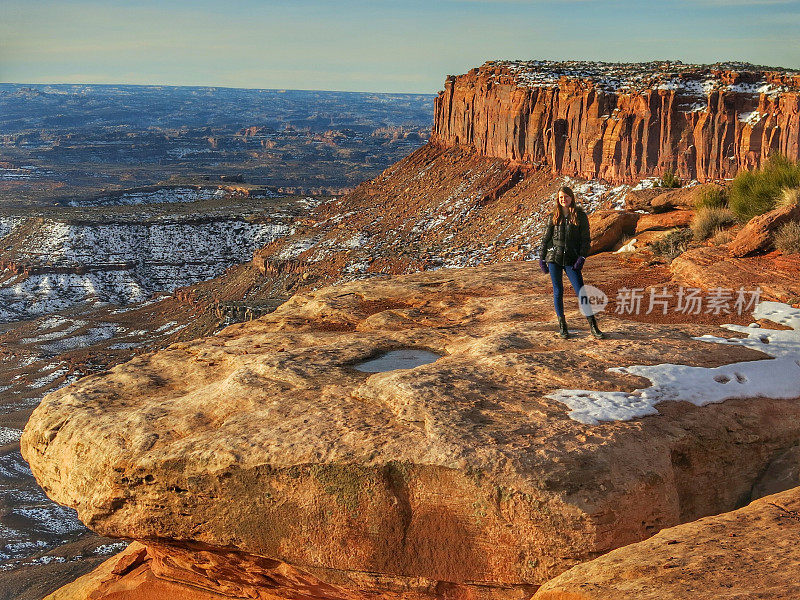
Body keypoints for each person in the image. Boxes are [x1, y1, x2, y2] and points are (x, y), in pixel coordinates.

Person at [538, 186, 606, 339]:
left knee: (581, 292)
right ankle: (563, 326)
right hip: (554, 259)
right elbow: (546, 239)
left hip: (571, 259)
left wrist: (582, 257)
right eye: (561, 197)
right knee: (558, 291)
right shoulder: (553, 216)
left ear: (572, 198)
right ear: (558, 199)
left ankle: (593, 326)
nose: (564, 200)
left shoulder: (580, 216)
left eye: (566, 197)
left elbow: (585, 240)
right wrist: (542, 258)